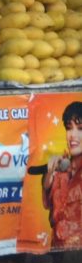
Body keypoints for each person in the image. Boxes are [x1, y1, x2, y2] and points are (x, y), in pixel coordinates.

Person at [43, 101, 82, 248]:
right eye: (69, 128)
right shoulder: (62, 167)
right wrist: (50, 173)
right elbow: (48, 204)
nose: (73, 135)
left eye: (80, 129)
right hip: (57, 248)